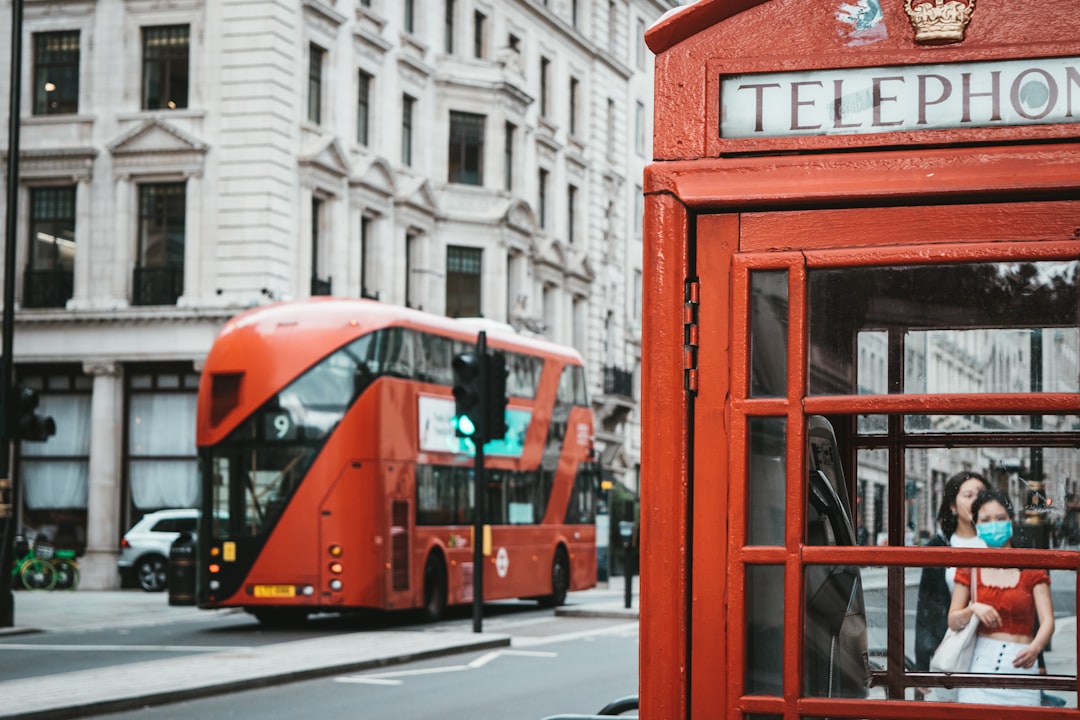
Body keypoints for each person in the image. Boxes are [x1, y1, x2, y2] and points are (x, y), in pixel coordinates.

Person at [948, 488, 1054, 706]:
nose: (993, 524)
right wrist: (973, 608)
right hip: (979, 664)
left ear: (1011, 521)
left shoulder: (1031, 567)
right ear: (976, 526)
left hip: (1022, 664)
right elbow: (953, 619)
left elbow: (1048, 621)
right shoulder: (970, 567)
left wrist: (1035, 648)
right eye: (985, 520)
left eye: (1000, 518)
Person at [914, 470, 991, 685]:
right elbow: (926, 608)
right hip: (953, 649)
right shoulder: (939, 547)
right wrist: (921, 667)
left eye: (981, 494)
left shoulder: (999, 542)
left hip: (994, 647)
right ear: (952, 506)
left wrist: (1038, 660)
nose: (976, 501)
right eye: (968, 495)